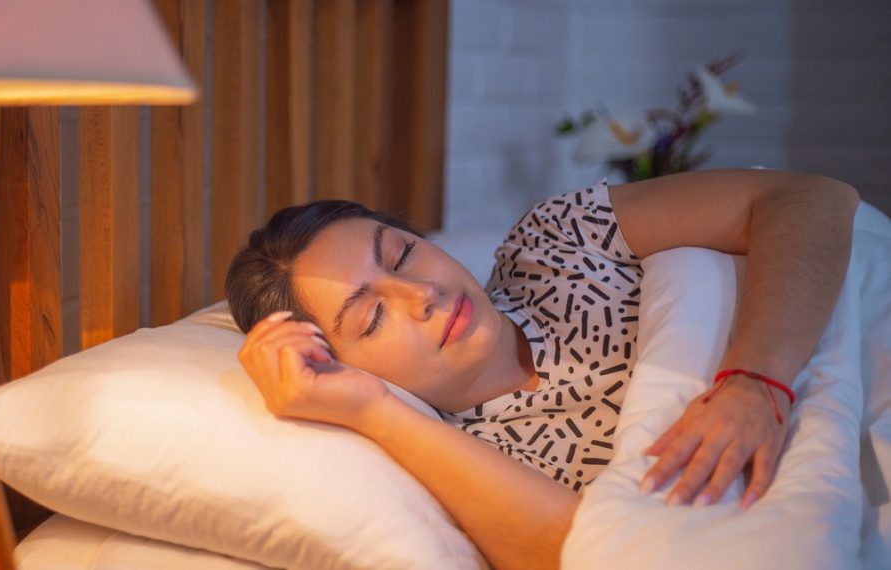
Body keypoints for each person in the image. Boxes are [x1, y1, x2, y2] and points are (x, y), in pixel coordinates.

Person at [224, 168, 859, 569]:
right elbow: (594, 555)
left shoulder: (556, 244)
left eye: (404, 254)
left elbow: (809, 197)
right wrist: (368, 408)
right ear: (333, 361)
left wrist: (755, 379)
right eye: (370, 319)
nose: (423, 295)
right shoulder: (459, 459)